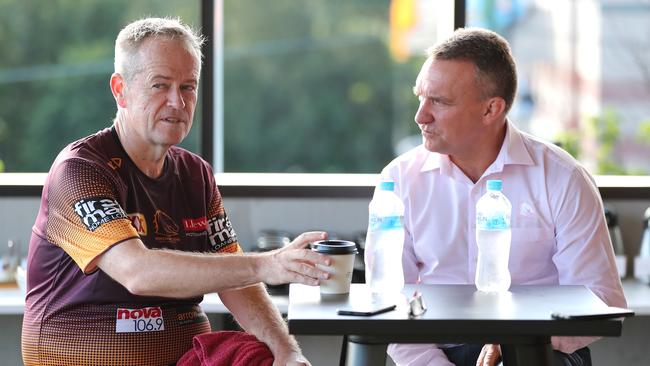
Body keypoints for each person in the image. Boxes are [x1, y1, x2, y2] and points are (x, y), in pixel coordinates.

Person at [21, 17, 331, 366]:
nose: (177, 102)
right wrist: (267, 264)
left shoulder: (195, 174)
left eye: (188, 87)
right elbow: (137, 272)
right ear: (120, 90)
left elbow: (236, 279)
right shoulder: (80, 169)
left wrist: (286, 350)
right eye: (160, 85)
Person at [374, 28, 627, 366]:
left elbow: (602, 300)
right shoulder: (399, 180)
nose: (421, 115)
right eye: (421, 97)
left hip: (539, 348)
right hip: (435, 351)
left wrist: (516, 342)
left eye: (439, 101)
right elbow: (388, 301)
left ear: (491, 109)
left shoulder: (563, 178)